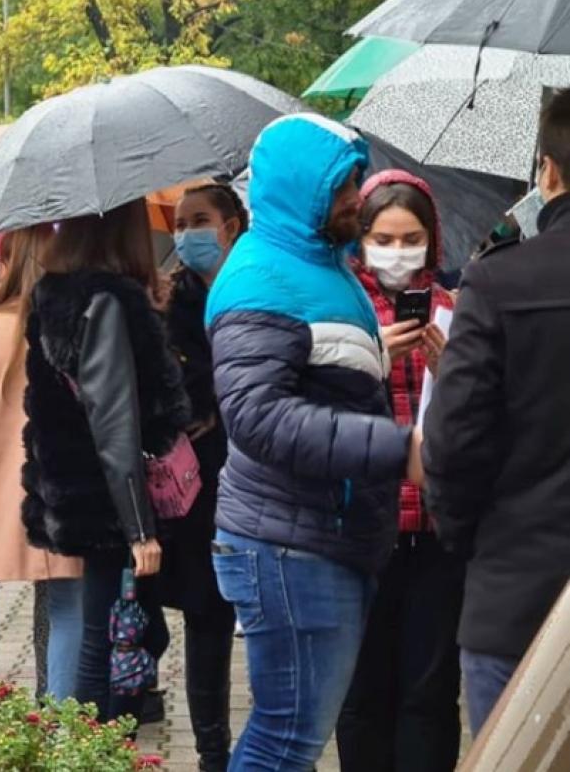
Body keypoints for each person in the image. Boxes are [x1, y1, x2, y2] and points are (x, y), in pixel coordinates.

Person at [205, 114, 422, 772]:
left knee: (292, 734)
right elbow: (259, 417)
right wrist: (395, 447)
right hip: (289, 544)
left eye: (354, 181)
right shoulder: (260, 280)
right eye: (341, 186)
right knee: (285, 739)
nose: (355, 197)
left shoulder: (316, 266)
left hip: (315, 536)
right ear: (301, 188)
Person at [424, 89, 570, 737]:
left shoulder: (500, 281)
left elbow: (452, 441)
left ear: (548, 170)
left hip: (518, 592)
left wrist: (467, 537)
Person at [23, 200, 188, 724]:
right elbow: (114, 418)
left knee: (118, 629)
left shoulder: (54, 294)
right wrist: (139, 528)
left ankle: (97, 742)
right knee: (109, 639)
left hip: (76, 489)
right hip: (110, 501)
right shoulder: (108, 302)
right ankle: (94, 748)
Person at [336, 170, 463, 771]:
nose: (397, 251)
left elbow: (482, 420)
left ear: (431, 239)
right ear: (359, 239)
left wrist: (456, 368)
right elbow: (319, 415)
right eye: (382, 238)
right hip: (364, 530)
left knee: (431, 691)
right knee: (363, 691)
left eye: (410, 237)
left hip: (437, 531)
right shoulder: (343, 309)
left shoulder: (456, 311)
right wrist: (371, 356)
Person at [0, 228, 84, 700]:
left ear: (4, 264)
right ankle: (63, 722)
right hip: (64, 473)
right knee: (66, 598)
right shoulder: (78, 323)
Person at [163, 183, 247, 772]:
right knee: (207, 615)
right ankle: (211, 751)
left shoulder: (260, 290)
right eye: (180, 224)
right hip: (202, 487)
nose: (187, 234)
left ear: (232, 225)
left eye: (199, 221)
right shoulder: (175, 307)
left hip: (266, 477)